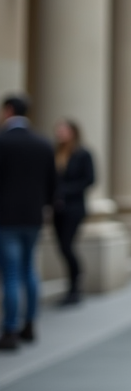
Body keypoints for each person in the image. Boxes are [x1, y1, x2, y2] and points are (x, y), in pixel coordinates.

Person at [0, 94, 57, 352]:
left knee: (11, 274)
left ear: (9, 111)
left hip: (6, 218)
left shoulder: (3, 141)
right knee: (28, 270)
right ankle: (30, 323)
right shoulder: (43, 144)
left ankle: (10, 329)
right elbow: (52, 186)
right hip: (33, 217)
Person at [51, 119, 95, 306]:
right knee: (61, 246)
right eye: (58, 130)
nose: (59, 133)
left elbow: (90, 179)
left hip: (74, 207)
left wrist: (65, 191)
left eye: (63, 130)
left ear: (73, 132)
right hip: (57, 208)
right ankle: (72, 285)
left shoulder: (83, 154)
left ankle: (75, 286)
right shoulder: (56, 153)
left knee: (67, 246)